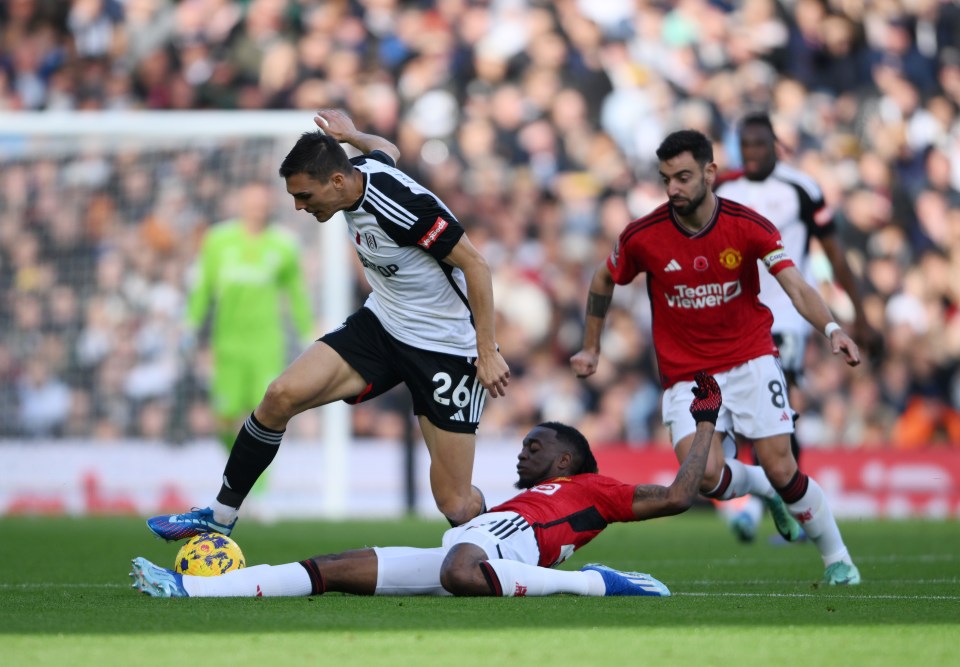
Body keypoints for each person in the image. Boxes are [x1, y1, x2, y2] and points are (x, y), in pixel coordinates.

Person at [147, 109, 510, 537]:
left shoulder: (403, 207)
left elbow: (476, 265)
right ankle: (220, 515)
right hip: (384, 324)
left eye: (304, 195)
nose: (300, 207)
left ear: (336, 182)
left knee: (454, 501)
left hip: (445, 347)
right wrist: (354, 135)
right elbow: (384, 149)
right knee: (280, 395)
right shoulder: (358, 172)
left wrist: (486, 351)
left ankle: (512, 540)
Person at [130, 372, 723, 598]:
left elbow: (677, 495)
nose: (523, 452)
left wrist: (702, 422)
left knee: (460, 568)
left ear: (569, 459)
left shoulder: (596, 489)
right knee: (331, 567)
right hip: (462, 554)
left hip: (485, 558)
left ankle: (596, 585)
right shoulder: (517, 498)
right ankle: (191, 589)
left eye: (535, 446)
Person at [570, 129, 862, 585]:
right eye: (666, 179)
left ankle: (838, 560)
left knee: (782, 465)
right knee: (704, 477)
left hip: (750, 359)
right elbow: (602, 280)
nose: (673, 189)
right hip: (688, 375)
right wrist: (591, 345)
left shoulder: (748, 224)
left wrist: (832, 328)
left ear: (710, 173)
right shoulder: (643, 236)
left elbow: (796, 285)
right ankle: (765, 490)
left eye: (683, 177)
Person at [712, 112, 880, 542]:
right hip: (733, 317)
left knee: (776, 407)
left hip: (787, 316)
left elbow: (835, 254)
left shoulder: (801, 189)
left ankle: (766, 505)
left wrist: (858, 315)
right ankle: (779, 499)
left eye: (759, 145)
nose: (751, 154)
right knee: (755, 418)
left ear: (776, 146)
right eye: (744, 146)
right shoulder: (724, 189)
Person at [184, 180, 313, 453]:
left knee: (266, 417)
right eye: (252, 203)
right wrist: (189, 325)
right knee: (224, 416)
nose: (257, 209)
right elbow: (202, 288)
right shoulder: (218, 240)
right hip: (227, 346)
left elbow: (296, 294)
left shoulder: (283, 244)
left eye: (261, 204)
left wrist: (307, 330)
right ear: (240, 204)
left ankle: (258, 490)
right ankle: (236, 470)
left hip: (266, 345)